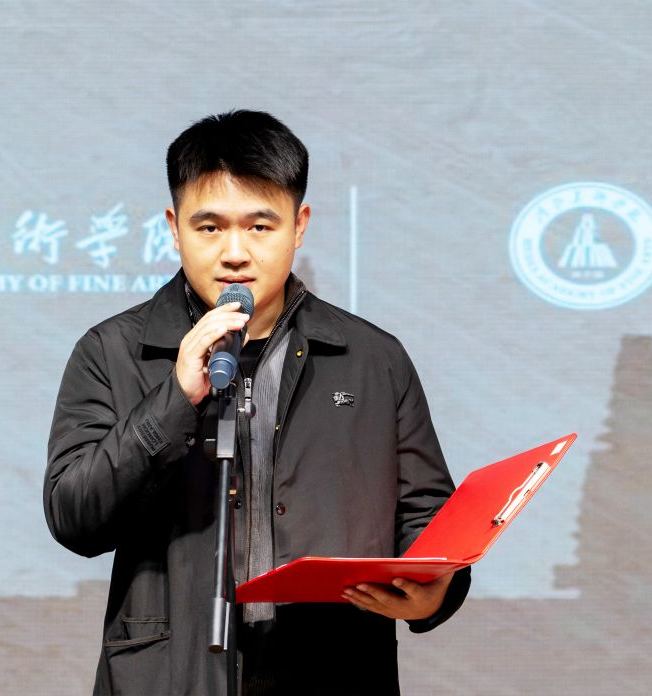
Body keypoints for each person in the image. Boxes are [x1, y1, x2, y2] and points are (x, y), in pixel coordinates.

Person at [44, 110, 470, 695]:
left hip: (333, 672)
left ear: (300, 226)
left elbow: (426, 517)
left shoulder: (373, 358)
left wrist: (435, 593)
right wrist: (173, 398)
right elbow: (74, 516)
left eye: (261, 227)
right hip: (169, 677)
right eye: (209, 227)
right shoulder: (113, 351)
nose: (235, 253)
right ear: (174, 228)